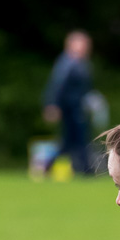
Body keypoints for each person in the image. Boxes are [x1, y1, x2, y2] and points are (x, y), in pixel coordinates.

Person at [42, 30, 95, 176]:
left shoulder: (81, 62)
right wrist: (53, 105)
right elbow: (58, 85)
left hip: (77, 107)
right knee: (77, 139)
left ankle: (81, 168)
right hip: (70, 108)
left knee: (72, 140)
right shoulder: (68, 62)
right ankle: (85, 169)